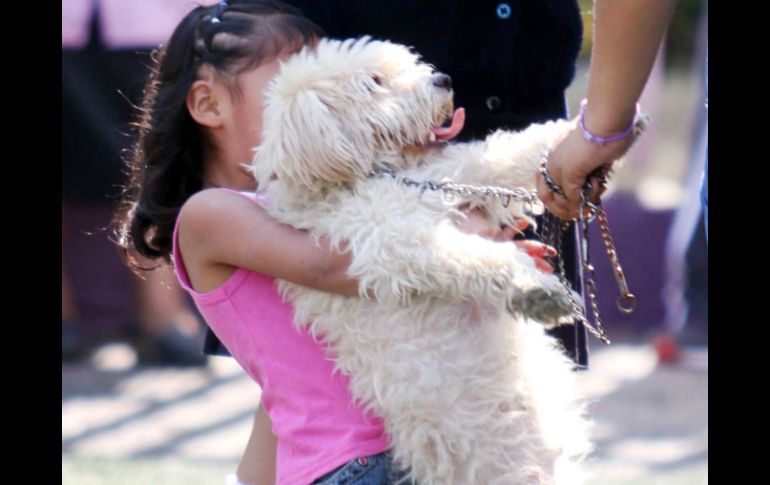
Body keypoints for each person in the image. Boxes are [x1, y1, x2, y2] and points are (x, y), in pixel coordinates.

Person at [113, 1, 556, 483]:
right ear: (208, 104)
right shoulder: (210, 214)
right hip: (356, 465)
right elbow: (332, 266)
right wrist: (458, 235)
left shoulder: (322, 200)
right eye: (297, 78)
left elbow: (278, 399)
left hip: (410, 447)